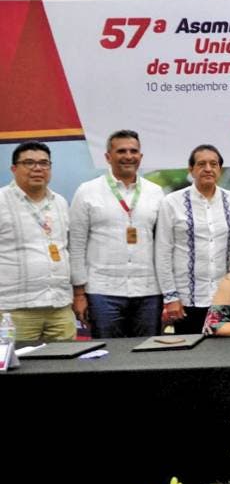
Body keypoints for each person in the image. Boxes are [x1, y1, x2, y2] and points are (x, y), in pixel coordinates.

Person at [69, 129, 165, 338]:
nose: (128, 156)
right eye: (121, 151)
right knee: (110, 353)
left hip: (148, 291)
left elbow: (163, 245)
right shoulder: (87, 191)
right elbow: (76, 244)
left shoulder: (156, 192)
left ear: (141, 156)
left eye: (133, 151)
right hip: (102, 291)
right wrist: (79, 293)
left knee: (147, 352)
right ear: (108, 157)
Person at [155, 144, 230, 334]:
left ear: (220, 169)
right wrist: (170, 297)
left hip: (225, 297)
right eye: (201, 164)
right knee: (190, 349)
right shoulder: (172, 203)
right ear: (191, 169)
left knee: (228, 349)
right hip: (187, 300)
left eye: (213, 164)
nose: (208, 169)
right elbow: (163, 252)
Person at [0, 142, 75, 341]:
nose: (37, 168)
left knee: (68, 360)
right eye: (29, 163)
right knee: (18, 361)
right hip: (14, 310)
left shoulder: (60, 202)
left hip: (59, 307)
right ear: (14, 168)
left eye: (44, 163)